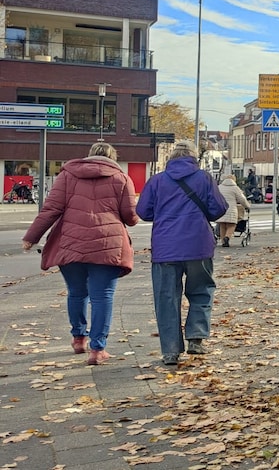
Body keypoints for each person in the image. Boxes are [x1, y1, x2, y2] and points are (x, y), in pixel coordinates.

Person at [22, 142, 139, 366]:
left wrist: (31, 237)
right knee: (102, 296)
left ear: (89, 156)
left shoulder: (67, 175)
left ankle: (78, 338)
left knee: (76, 293)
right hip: (107, 245)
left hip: (70, 243)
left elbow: (51, 209)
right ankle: (97, 349)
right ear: (113, 158)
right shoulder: (122, 178)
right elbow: (130, 217)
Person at [136, 141, 227, 366]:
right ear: (193, 157)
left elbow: (143, 211)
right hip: (198, 245)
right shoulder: (204, 178)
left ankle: (170, 351)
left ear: (172, 158)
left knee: (166, 298)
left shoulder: (157, 180)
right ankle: (196, 337)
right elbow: (218, 208)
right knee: (202, 290)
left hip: (165, 248)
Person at [216, 174, 251, 247]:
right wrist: (247, 206)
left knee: (222, 225)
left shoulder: (219, 187)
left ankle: (223, 242)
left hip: (221, 209)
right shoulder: (235, 188)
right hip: (231, 209)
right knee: (231, 225)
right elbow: (242, 199)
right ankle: (227, 237)